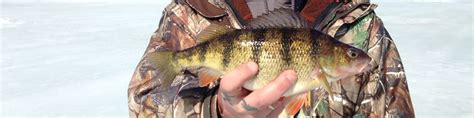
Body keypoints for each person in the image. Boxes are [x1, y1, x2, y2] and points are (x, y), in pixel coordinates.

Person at [128, 0, 415, 117]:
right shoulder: (191, 13)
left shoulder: (360, 27)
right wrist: (214, 111)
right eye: (350, 55)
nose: (355, 58)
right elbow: (143, 103)